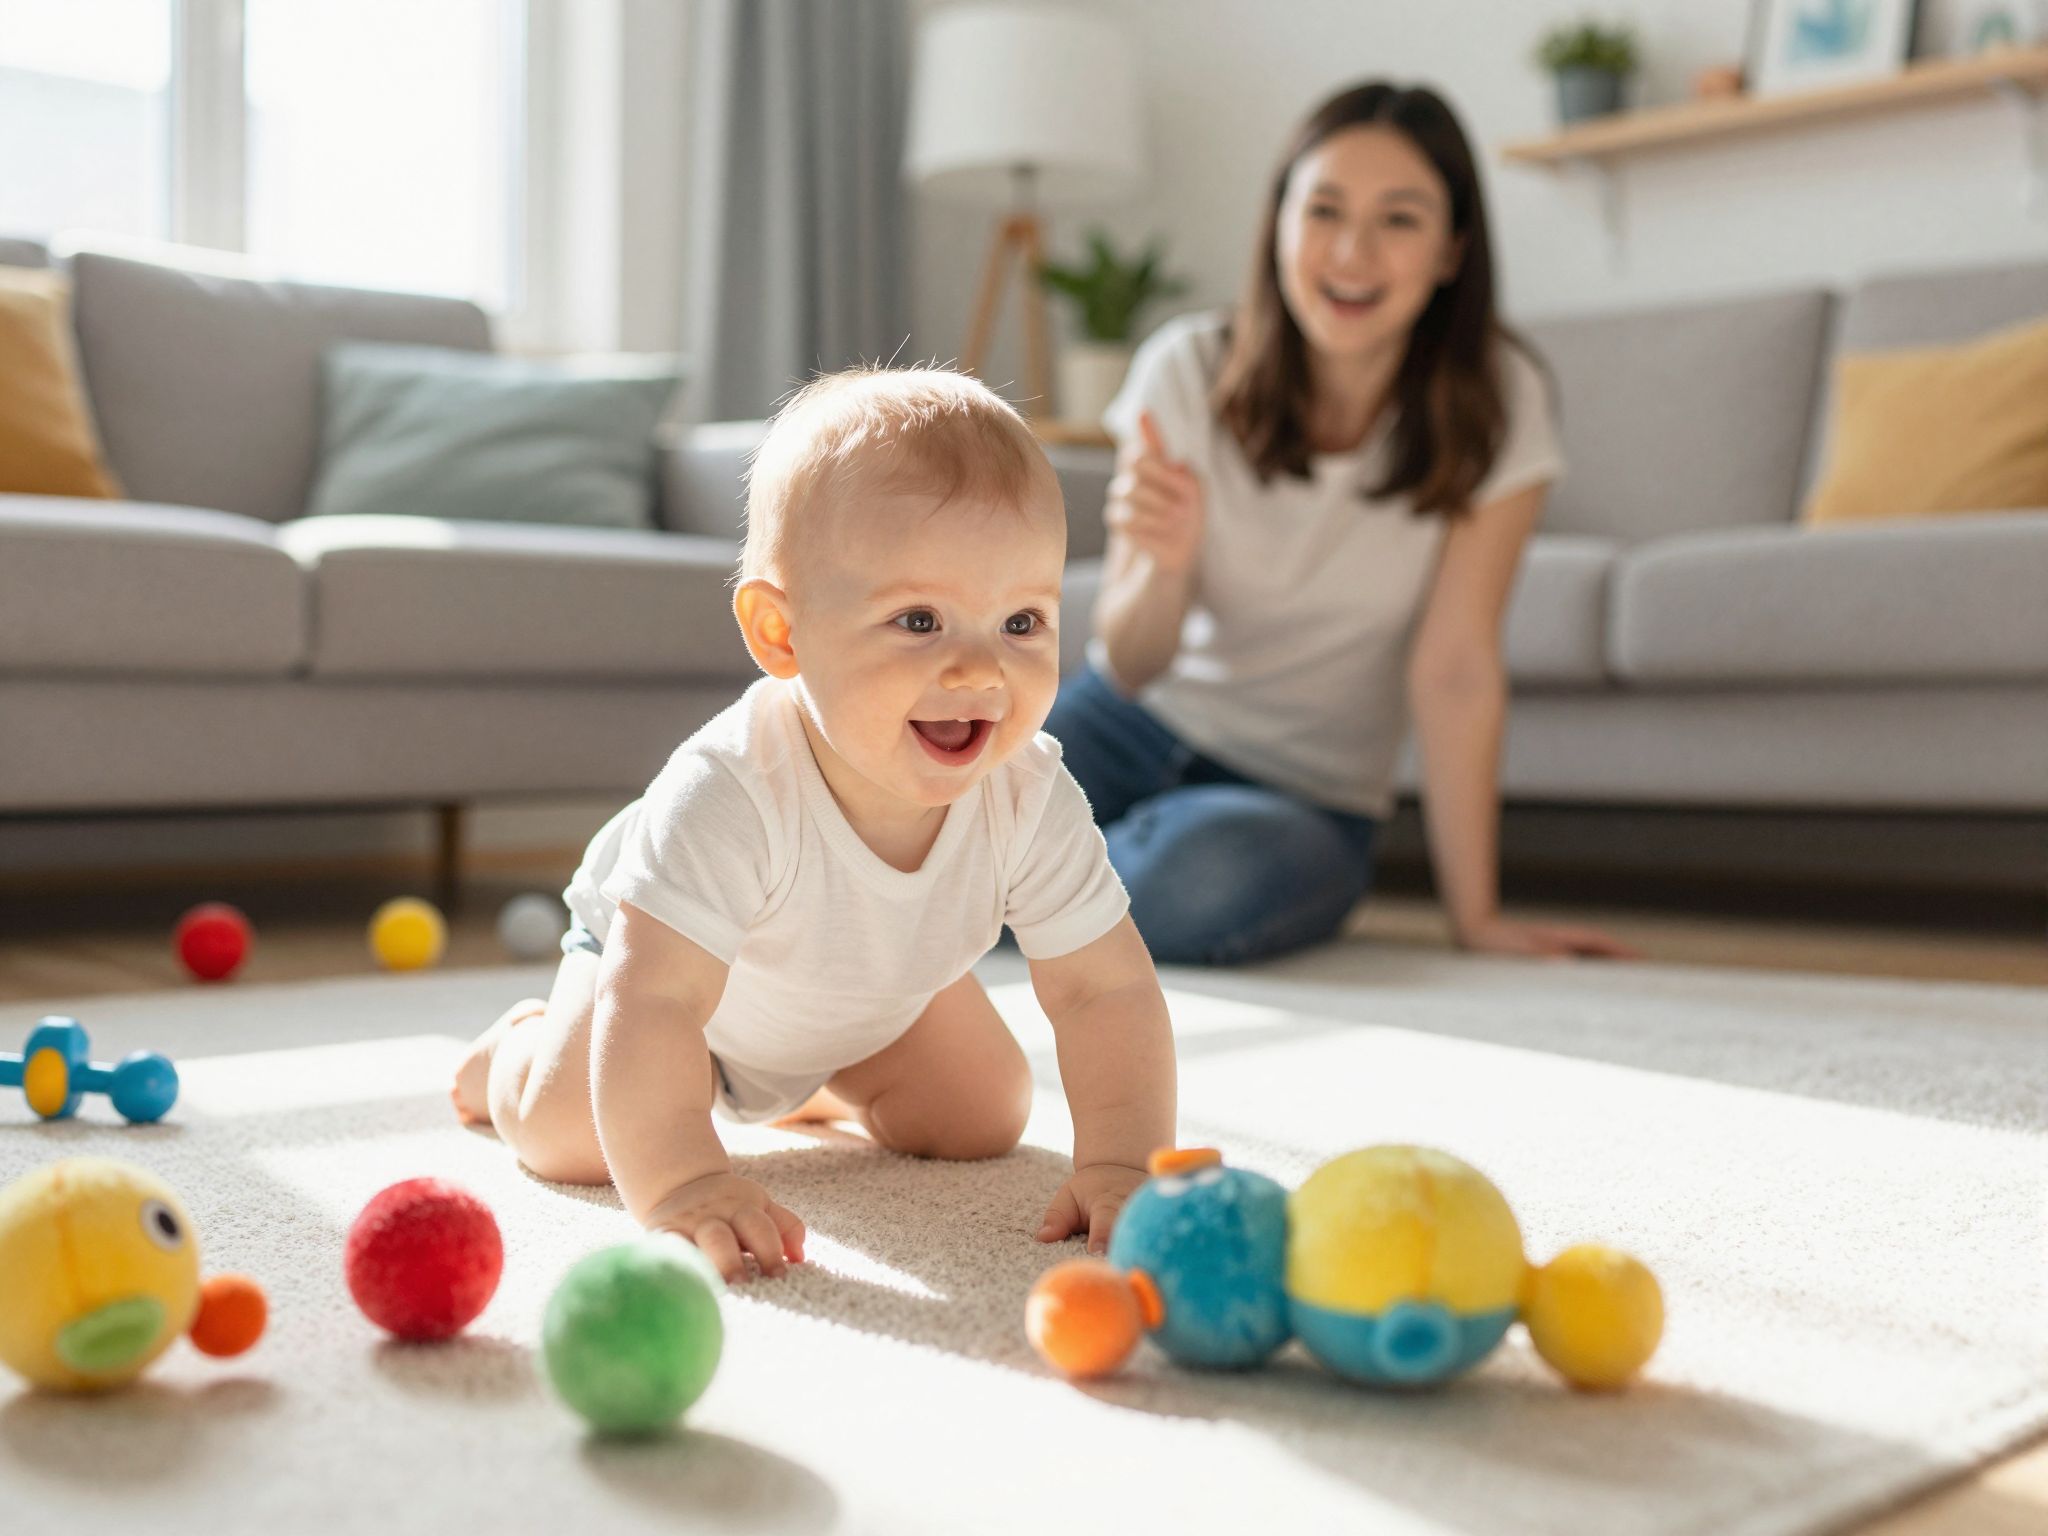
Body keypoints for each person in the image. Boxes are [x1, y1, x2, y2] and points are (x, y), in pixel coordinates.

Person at [452, 368, 1176, 1283]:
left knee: (984, 1115)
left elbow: (1102, 991)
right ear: (781, 635)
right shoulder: (729, 788)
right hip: (669, 985)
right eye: (920, 620)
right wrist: (684, 1183)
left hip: (871, 986)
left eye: (1022, 620)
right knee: (574, 1132)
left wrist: (1121, 1163)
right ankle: (517, 1048)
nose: (978, 668)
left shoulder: (1028, 793)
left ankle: (813, 1080)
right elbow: (661, 1002)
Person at [1048, 81, 1637, 967]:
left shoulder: (1501, 400)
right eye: (1323, 210)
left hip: (1301, 797)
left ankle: (1007, 887)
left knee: (1209, 878)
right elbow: (1132, 663)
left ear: (1451, 252)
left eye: (1399, 220)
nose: (1353, 251)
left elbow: (1457, 668)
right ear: (1279, 225)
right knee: (920, 804)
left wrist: (1475, 919)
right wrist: (1164, 569)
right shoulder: (1185, 368)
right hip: (1127, 725)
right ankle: (1026, 885)